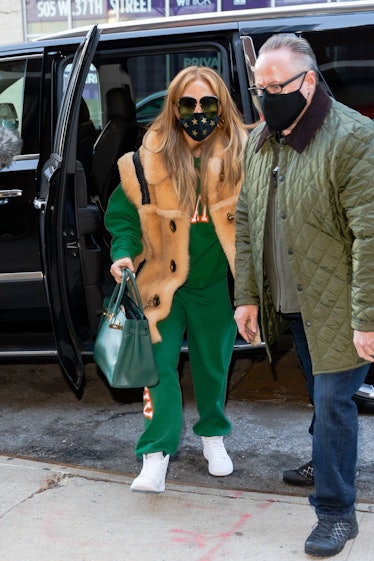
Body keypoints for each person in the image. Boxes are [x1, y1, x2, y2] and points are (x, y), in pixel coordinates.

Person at [234, 34, 374, 558]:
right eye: (258, 87)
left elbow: (370, 234)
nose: (267, 96)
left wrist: (367, 318)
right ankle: (327, 456)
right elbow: (247, 219)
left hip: (342, 305)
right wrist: (247, 296)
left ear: (309, 81)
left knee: (335, 401)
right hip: (295, 301)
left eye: (277, 86)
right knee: (321, 393)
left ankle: (336, 513)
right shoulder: (262, 138)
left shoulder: (353, 138)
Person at [104, 66, 248, 494]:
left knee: (212, 366)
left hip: (213, 286)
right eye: (188, 103)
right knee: (158, 370)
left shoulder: (241, 159)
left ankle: (212, 436)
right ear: (174, 108)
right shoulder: (143, 163)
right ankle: (155, 453)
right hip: (159, 283)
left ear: (221, 108)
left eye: (208, 103)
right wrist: (123, 254)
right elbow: (124, 218)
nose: (198, 112)